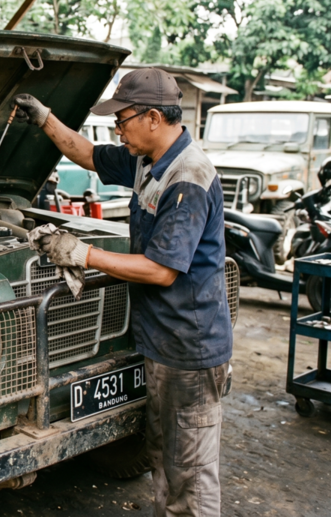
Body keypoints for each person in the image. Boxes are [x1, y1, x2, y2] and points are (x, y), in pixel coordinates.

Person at [13, 68, 232, 517]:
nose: (117, 128)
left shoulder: (187, 176)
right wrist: (44, 118)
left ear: (154, 117)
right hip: (160, 341)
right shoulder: (149, 159)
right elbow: (90, 155)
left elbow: (160, 270)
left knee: (189, 475)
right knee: (168, 460)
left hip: (188, 349)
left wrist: (82, 253)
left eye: (123, 119)